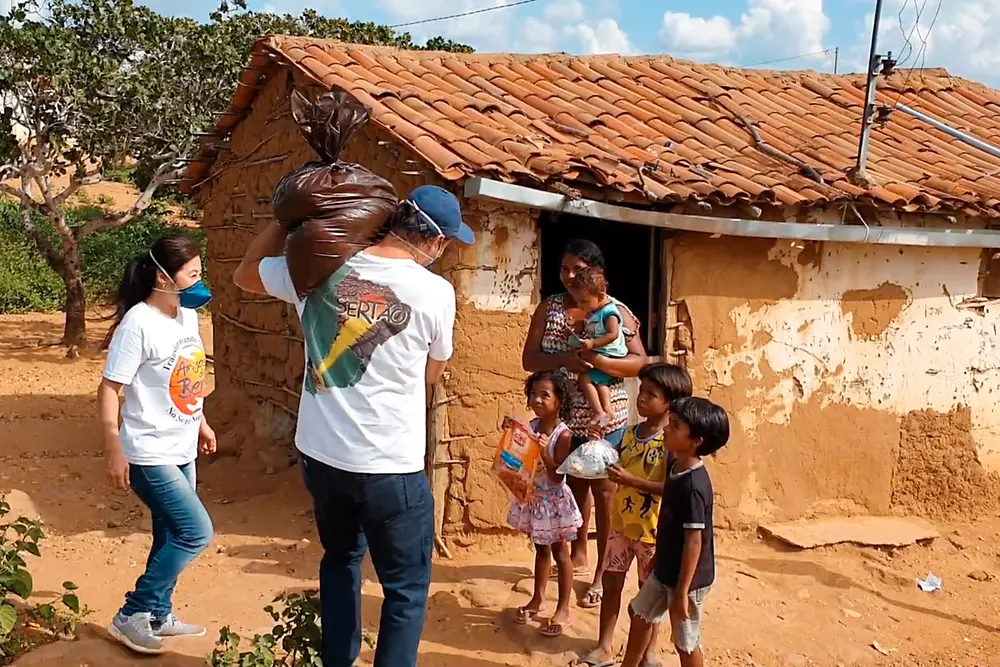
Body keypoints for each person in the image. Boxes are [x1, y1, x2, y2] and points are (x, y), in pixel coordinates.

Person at [232, 185, 475, 667]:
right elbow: (432, 371)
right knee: (404, 591)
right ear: (434, 241)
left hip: (324, 460)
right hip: (392, 469)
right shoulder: (434, 292)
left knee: (340, 562)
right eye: (446, 243)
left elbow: (243, 275)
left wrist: (286, 220)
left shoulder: (316, 268)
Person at [97, 235, 216, 655]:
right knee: (196, 531)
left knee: (169, 533)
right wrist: (114, 445)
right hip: (148, 451)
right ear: (164, 278)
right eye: (193, 274)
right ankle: (133, 612)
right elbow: (110, 388)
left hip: (181, 445)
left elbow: (189, 376)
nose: (200, 282)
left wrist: (200, 422)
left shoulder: (187, 317)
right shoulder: (138, 325)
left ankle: (159, 615)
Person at [521, 239, 647, 609]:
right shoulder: (551, 308)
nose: (569, 276)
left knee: (605, 493)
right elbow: (530, 359)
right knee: (571, 489)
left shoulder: (615, 311)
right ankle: (577, 556)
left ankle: (600, 575)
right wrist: (566, 359)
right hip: (562, 418)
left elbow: (639, 362)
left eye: (577, 269)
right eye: (563, 269)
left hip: (605, 415)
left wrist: (600, 365)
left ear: (596, 274)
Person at [578, 363, 692, 667]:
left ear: (669, 404)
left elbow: (673, 488)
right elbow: (609, 461)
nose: (641, 398)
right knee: (612, 583)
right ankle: (605, 645)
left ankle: (647, 652)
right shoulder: (629, 433)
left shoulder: (671, 445)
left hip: (653, 533)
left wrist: (632, 481)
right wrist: (596, 441)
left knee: (650, 595)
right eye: (641, 391)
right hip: (622, 526)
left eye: (650, 394)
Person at [619, 397, 730, 667]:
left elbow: (694, 543)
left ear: (696, 441)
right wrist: (659, 557)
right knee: (639, 613)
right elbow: (668, 518)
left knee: (685, 640)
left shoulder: (694, 486)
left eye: (676, 425)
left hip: (688, 580)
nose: (667, 428)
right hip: (667, 568)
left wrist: (681, 593)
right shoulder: (675, 467)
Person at [508, 371, 584, 638]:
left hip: (554, 503)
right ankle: (537, 599)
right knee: (541, 551)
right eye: (533, 394)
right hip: (536, 500)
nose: (537, 400)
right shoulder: (533, 425)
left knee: (561, 554)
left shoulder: (563, 435)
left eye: (545, 395)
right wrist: (514, 436)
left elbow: (557, 475)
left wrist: (542, 451)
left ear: (559, 400)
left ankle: (564, 608)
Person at [567, 266, 627, 428]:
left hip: (610, 355)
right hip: (602, 353)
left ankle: (598, 412)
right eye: (578, 301)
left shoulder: (610, 312)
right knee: (600, 383)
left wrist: (592, 344)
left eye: (584, 301)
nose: (580, 306)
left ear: (600, 296)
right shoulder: (594, 312)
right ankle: (607, 411)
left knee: (585, 379)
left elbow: (613, 334)